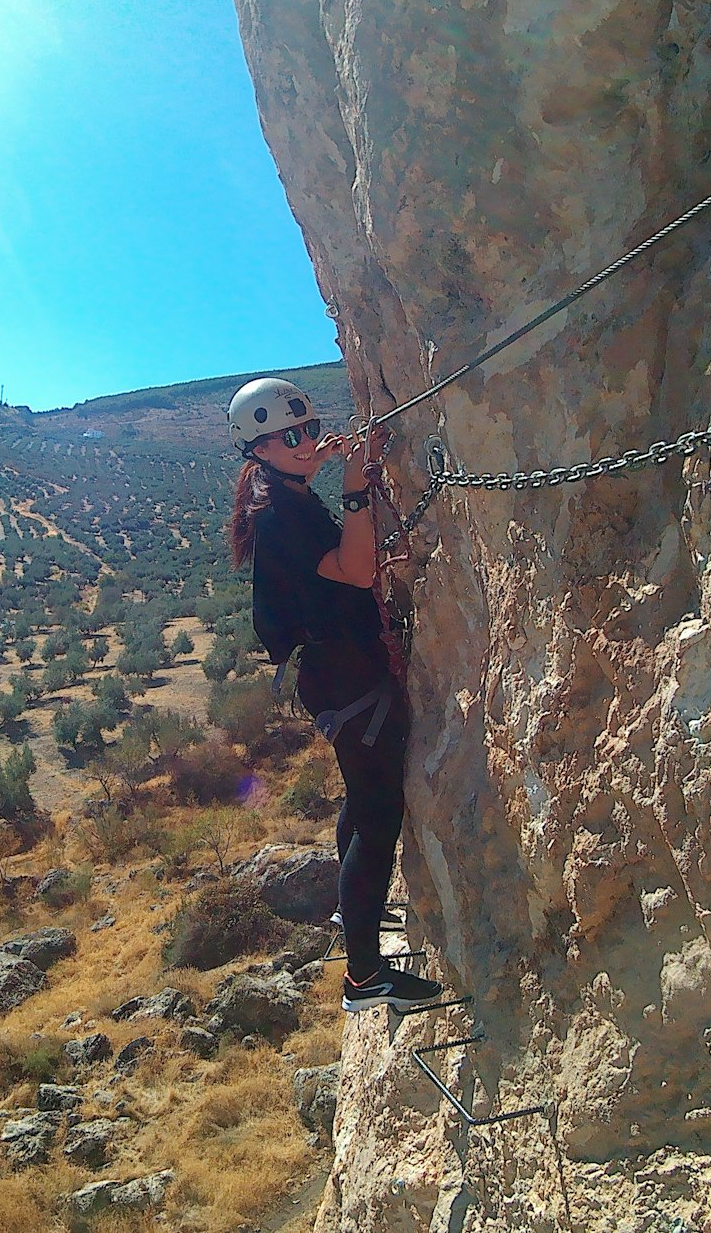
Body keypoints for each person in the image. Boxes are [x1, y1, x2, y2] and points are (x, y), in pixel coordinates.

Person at [227, 377, 442, 1013]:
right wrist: (354, 485)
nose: (305, 443)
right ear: (258, 449)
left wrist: (332, 462)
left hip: (339, 674)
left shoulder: (285, 497)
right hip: (345, 678)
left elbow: (351, 565)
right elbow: (352, 569)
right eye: (289, 437)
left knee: (361, 805)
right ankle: (365, 978)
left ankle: (357, 934)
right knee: (377, 816)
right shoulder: (281, 514)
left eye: (308, 431)